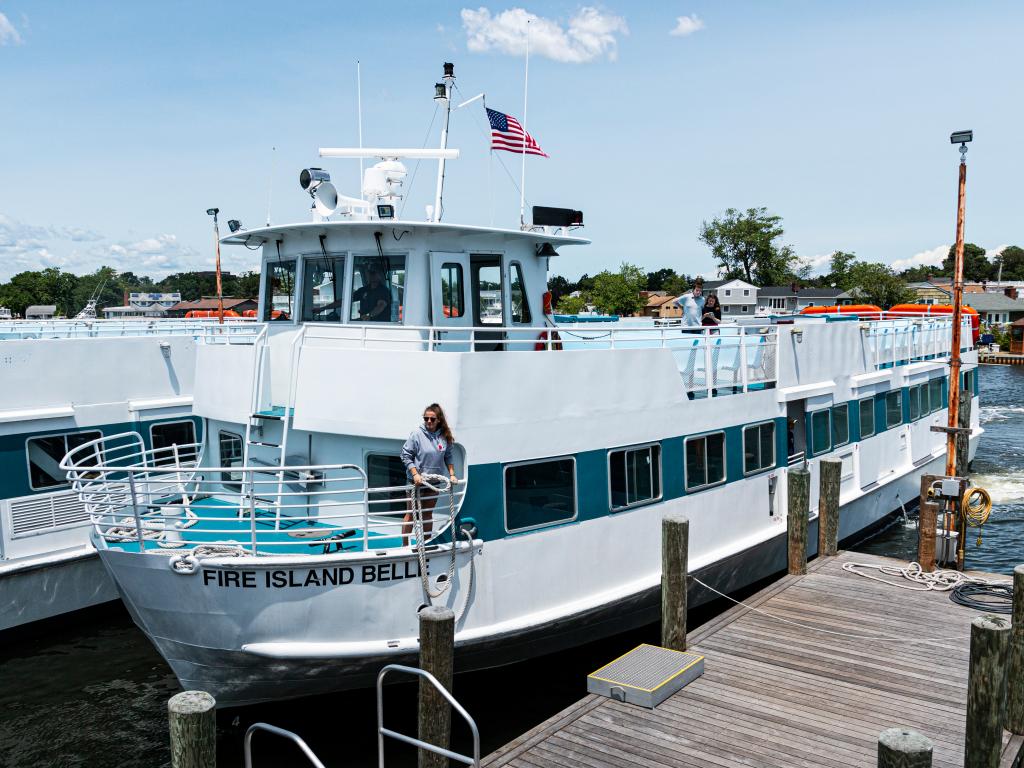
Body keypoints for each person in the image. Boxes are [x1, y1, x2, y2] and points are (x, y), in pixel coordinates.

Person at [400, 403, 458, 545]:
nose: (429, 422)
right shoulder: (417, 434)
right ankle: (405, 544)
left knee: (427, 514)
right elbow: (405, 455)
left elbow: (448, 456)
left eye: (432, 419)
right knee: (411, 514)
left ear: (439, 420)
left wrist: (452, 474)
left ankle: (425, 544)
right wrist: (415, 474)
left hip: (434, 482)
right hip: (416, 481)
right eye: (426, 419)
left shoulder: (444, 436)